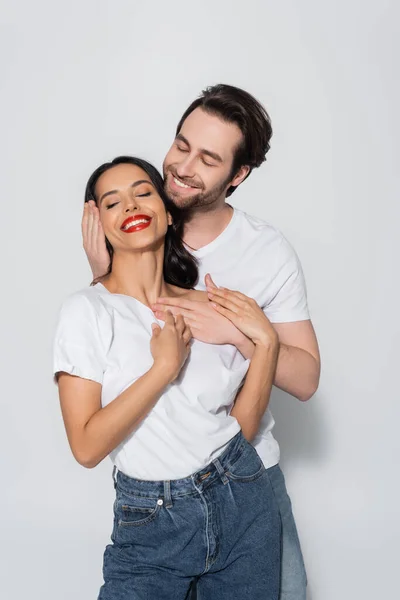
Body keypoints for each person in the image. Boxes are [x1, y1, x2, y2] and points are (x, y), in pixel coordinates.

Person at [83, 84, 321, 600]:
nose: (181, 166)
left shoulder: (266, 251)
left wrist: (239, 333)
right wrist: (102, 277)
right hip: (161, 494)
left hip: (249, 469)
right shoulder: (137, 221)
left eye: (208, 159)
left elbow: (306, 379)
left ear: (238, 176)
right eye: (181, 144)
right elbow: (99, 353)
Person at [54, 156, 282, 599]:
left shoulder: (211, 305)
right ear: (97, 222)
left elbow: (240, 428)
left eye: (143, 192)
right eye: (112, 201)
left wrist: (267, 345)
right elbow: (85, 446)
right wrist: (163, 369)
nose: (131, 206)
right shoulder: (86, 311)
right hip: (151, 524)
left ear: (167, 208)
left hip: (243, 502)